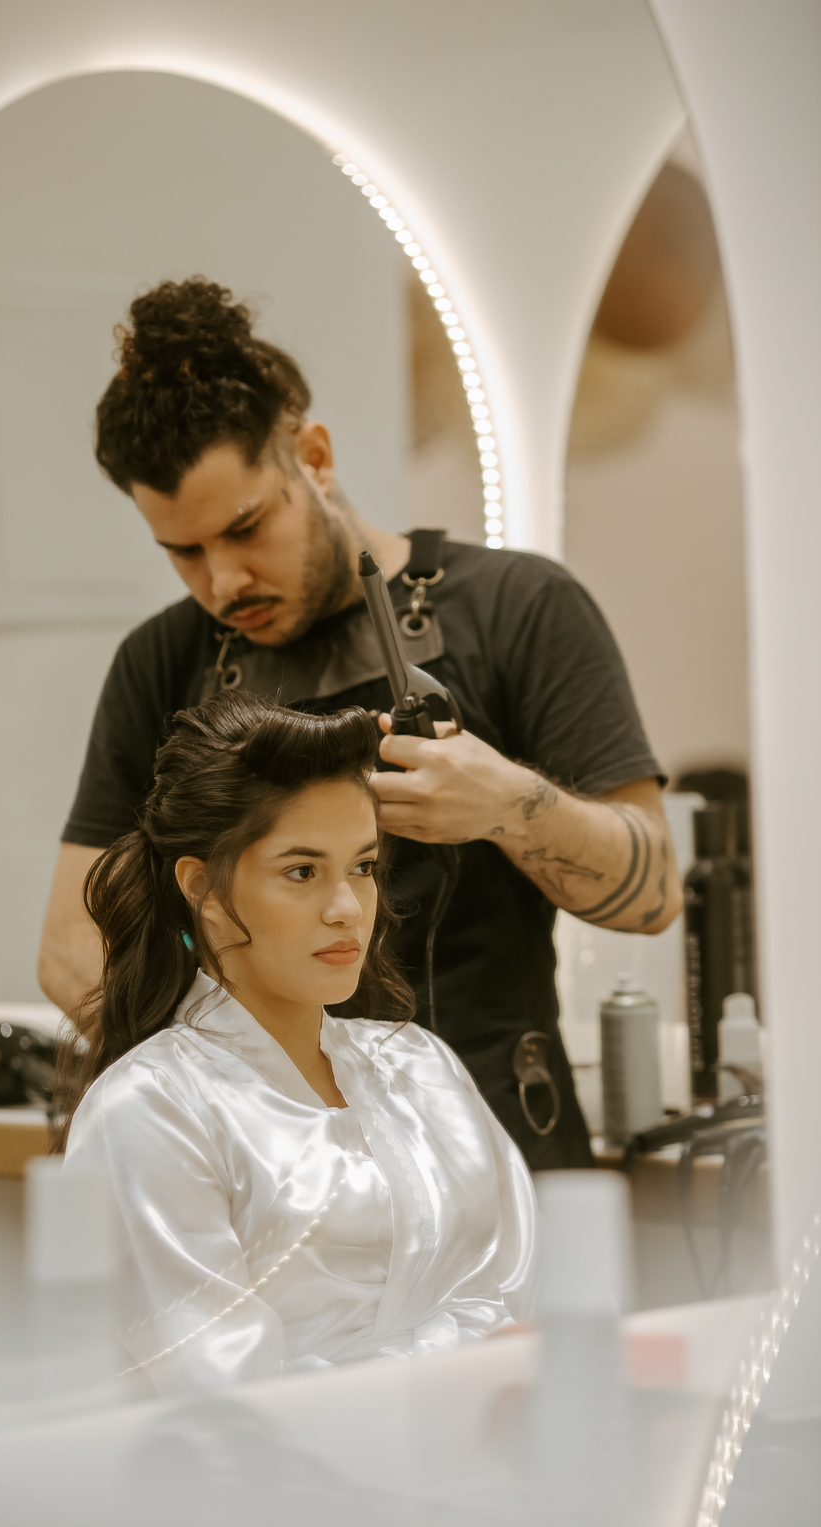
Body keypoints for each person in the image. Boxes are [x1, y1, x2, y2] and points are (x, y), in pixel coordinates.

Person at [40, 278, 682, 1171]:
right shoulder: (159, 662)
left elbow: (652, 893)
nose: (223, 582)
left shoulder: (519, 609)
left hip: (498, 1147)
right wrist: (251, 1088)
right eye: (183, 552)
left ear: (313, 457)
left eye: (245, 528)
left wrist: (508, 807)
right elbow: (71, 949)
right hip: (276, 1171)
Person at [59, 692, 537, 1393]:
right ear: (204, 890)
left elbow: (525, 1299)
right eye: (302, 872)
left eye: (363, 867)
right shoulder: (148, 1110)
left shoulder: (421, 1066)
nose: (347, 908)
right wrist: (465, 1376)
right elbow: (225, 1396)